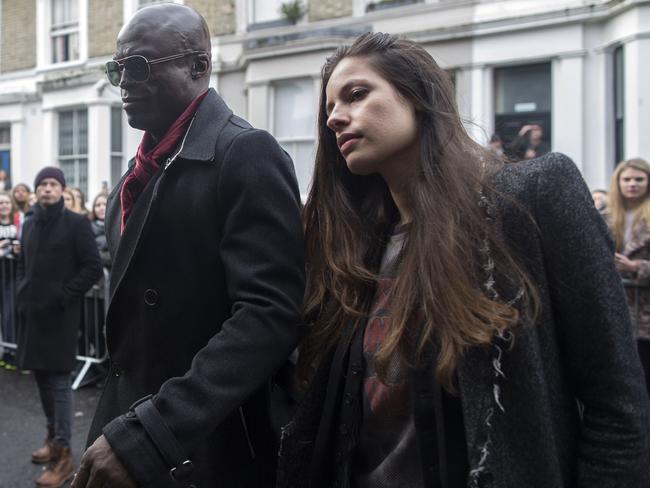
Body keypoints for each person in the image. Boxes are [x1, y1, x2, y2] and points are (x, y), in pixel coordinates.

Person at [276, 33, 650, 488]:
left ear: (419, 97)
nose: (335, 118)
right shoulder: (356, 252)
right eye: (329, 108)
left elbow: (616, 404)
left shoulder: (531, 197)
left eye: (356, 94)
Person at [72, 4, 304, 488]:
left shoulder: (245, 153)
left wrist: (155, 431)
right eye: (117, 68)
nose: (123, 83)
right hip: (129, 424)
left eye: (137, 66)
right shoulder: (130, 182)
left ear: (198, 66)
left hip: (203, 442)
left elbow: (268, 315)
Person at [16, 167, 102, 488]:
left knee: (59, 383)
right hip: (33, 316)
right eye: (42, 184)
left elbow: (92, 267)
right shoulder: (30, 223)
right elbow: (25, 262)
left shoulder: (77, 223)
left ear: (63, 190)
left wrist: (64, 295)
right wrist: (23, 291)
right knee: (40, 378)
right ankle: (52, 440)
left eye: (53, 184)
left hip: (60, 318)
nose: (47, 189)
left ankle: (64, 456)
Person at [607, 158, 650, 396]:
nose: (632, 184)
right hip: (616, 308)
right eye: (627, 179)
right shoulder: (605, 216)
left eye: (638, 179)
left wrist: (636, 266)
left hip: (645, 313)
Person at [0, 190, 18, 370]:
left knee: (9, 315)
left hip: (11, 276)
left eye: (6, 202)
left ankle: (10, 351)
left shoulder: (17, 227)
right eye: (0, 203)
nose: (3, 205)